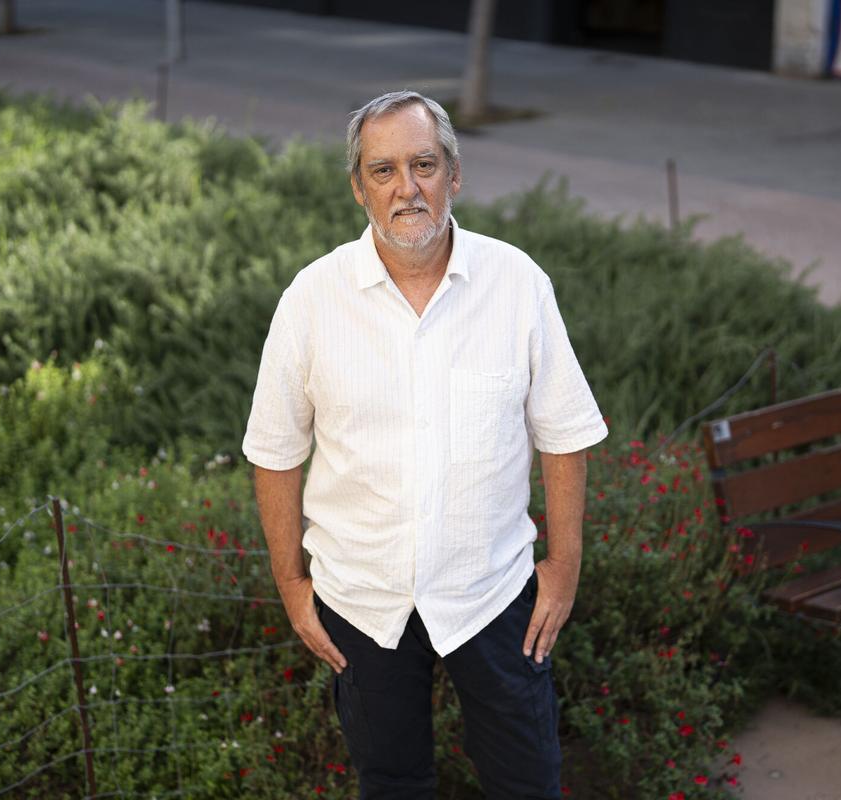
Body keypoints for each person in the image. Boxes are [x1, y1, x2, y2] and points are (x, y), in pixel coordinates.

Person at [242, 90, 608, 799]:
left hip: (493, 593)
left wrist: (563, 565)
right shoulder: (312, 299)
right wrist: (292, 586)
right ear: (358, 189)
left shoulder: (517, 283)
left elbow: (564, 435)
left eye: (423, 164)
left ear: (455, 174)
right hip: (361, 596)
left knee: (527, 780)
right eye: (383, 171)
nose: (407, 188)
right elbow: (275, 451)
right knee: (394, 783)